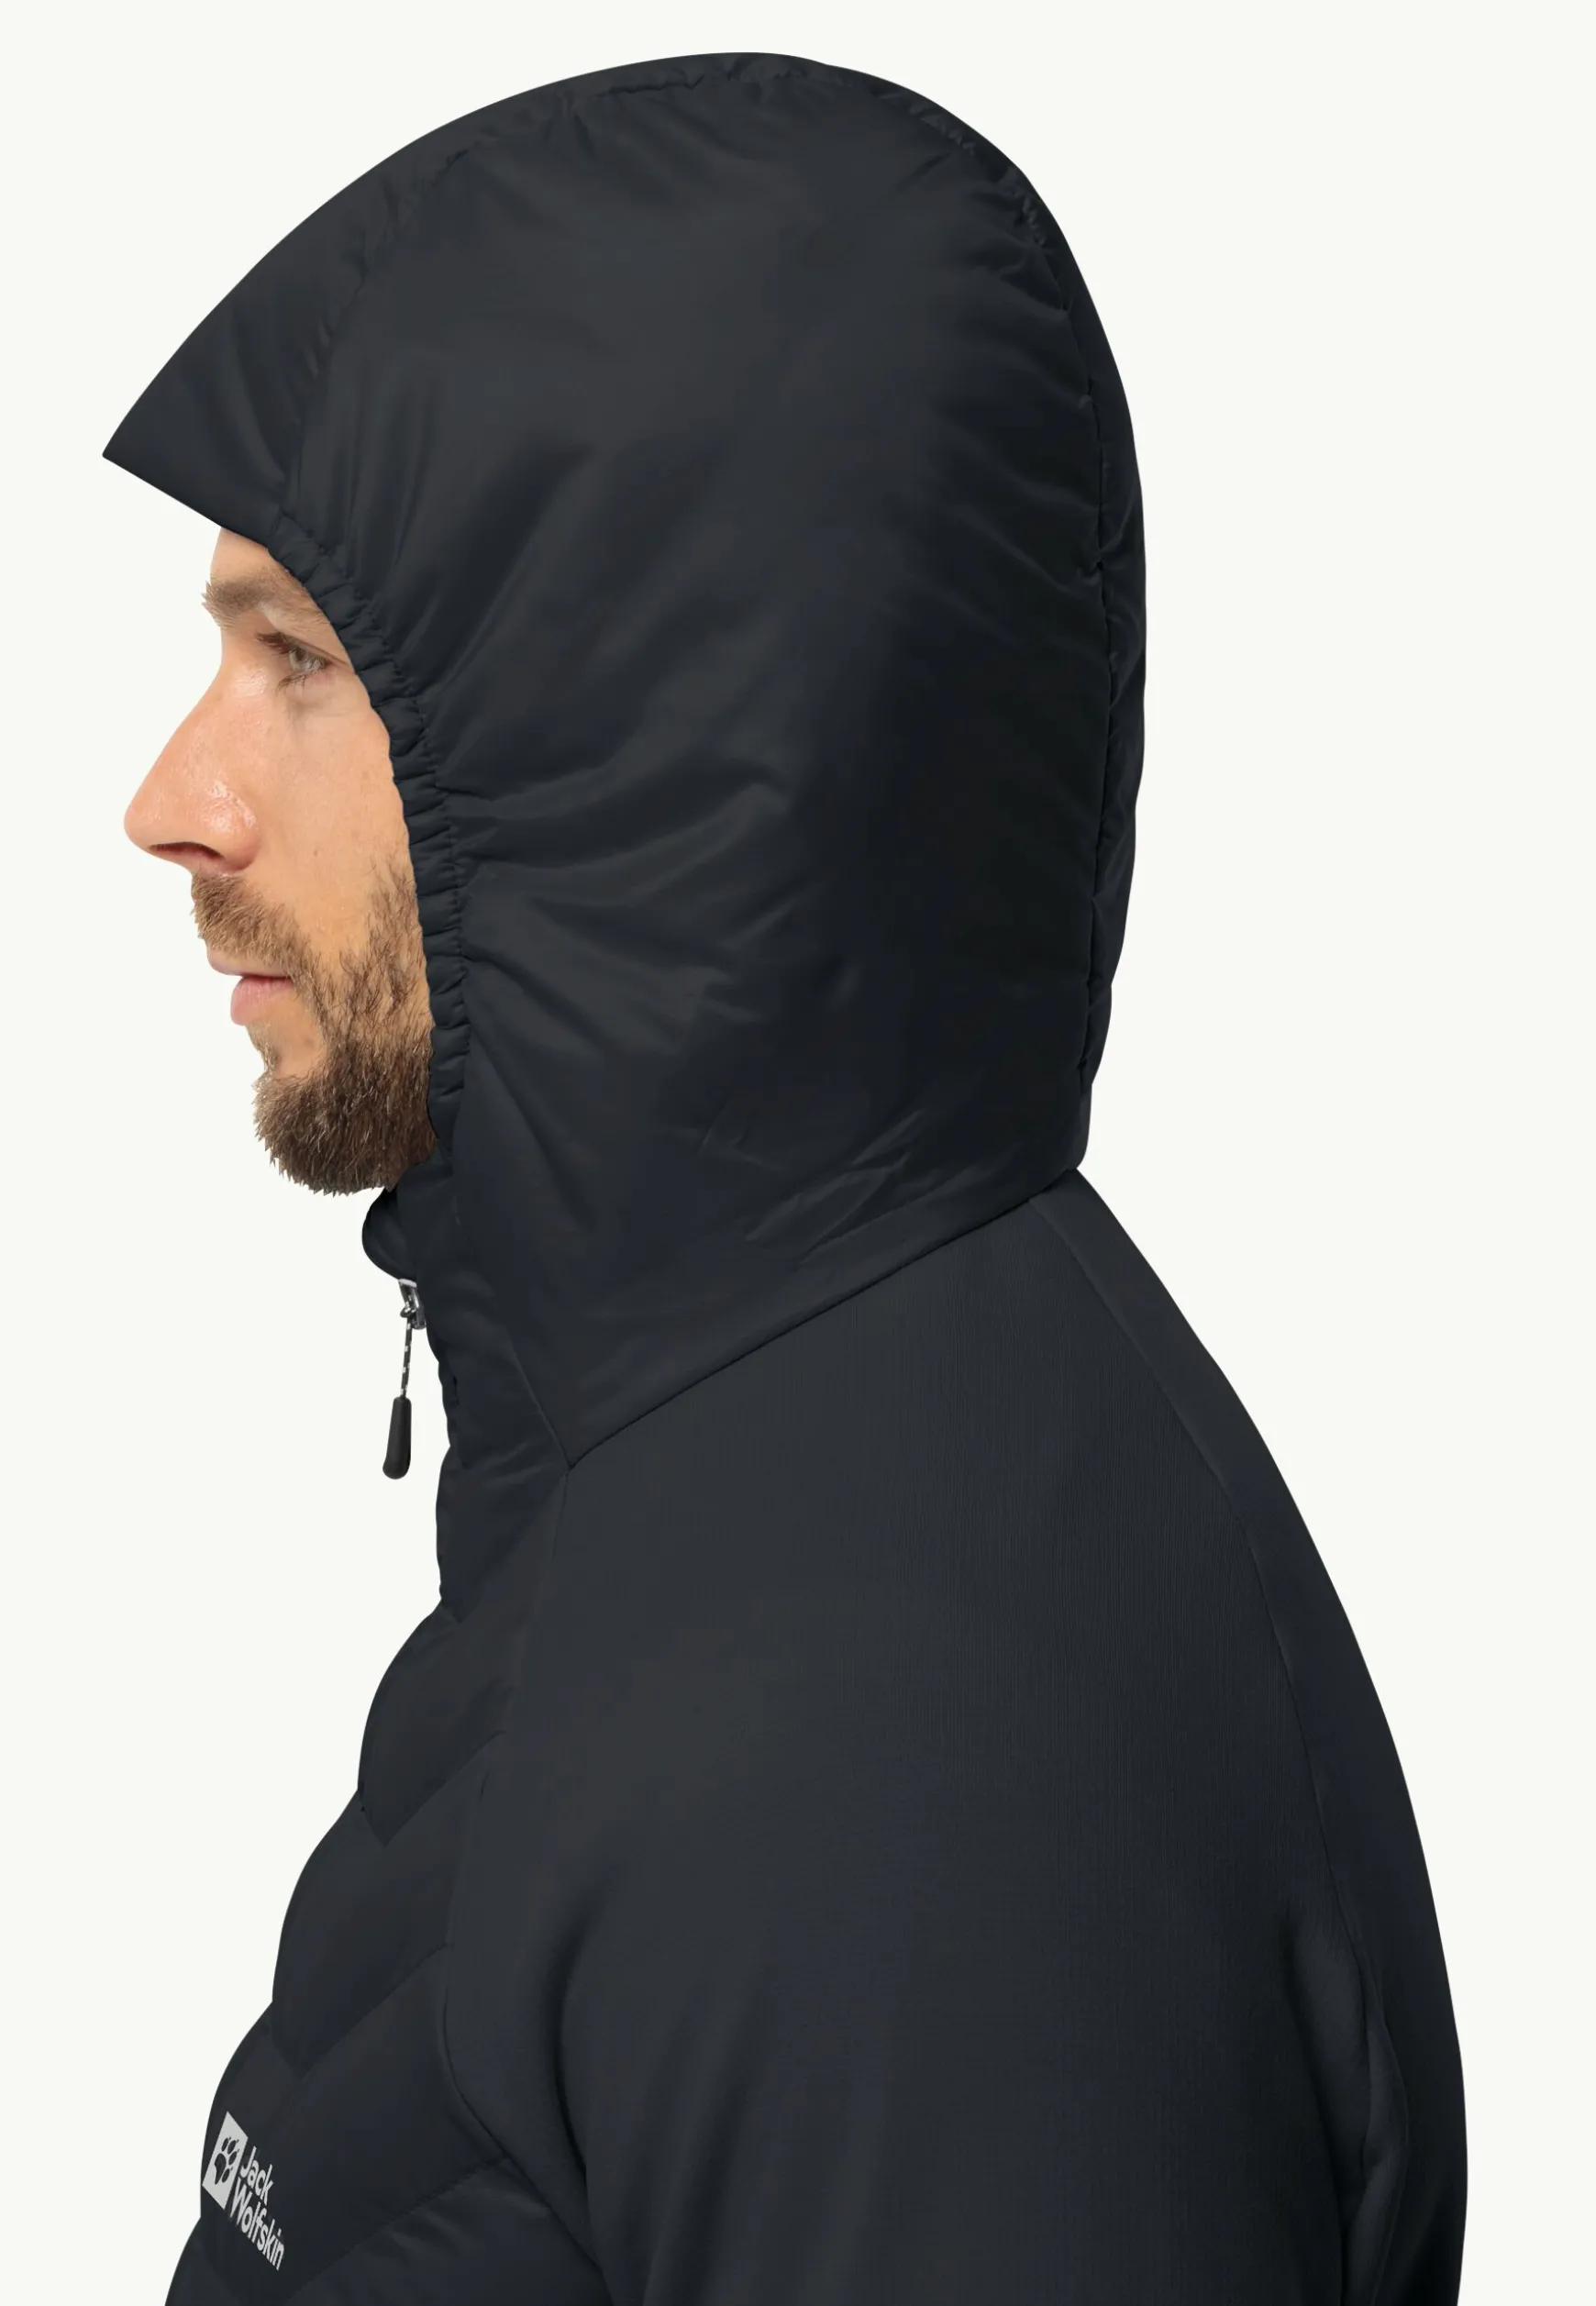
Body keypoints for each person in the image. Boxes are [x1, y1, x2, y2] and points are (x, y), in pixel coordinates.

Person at [108, 50, 1467, 2306]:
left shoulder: (903, 1778)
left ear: (642, 743)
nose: (172, 798)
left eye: (300, 661)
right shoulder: (744, 1467)